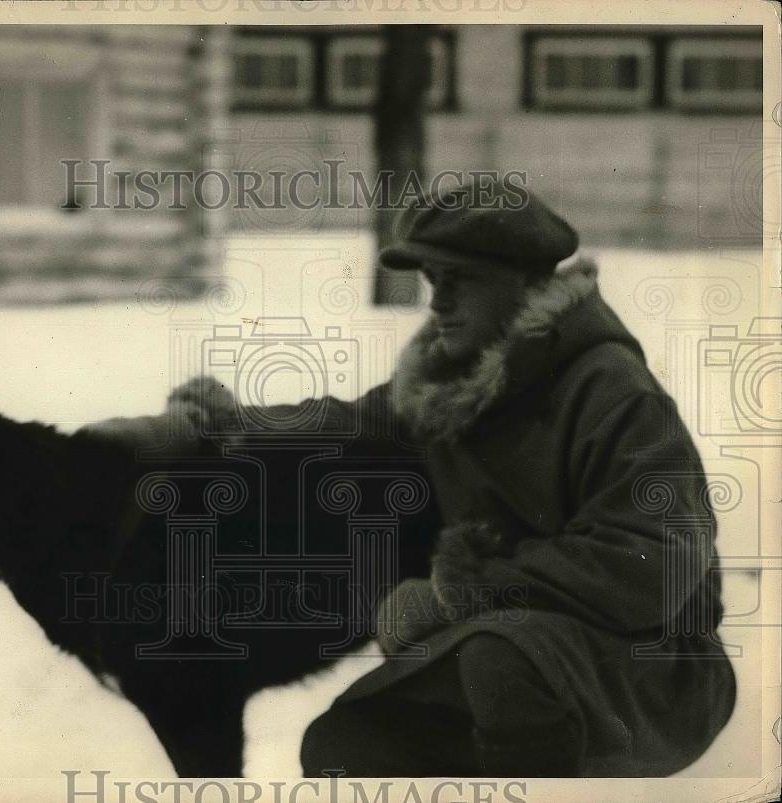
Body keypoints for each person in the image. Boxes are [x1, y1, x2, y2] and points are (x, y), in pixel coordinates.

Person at [298, 182, 737, 778]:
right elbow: (348, 427)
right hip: (521, 647)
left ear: (525, 286)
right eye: (432, 279)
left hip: (650, 671)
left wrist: (470, 589)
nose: (437, 304)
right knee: (350, 742)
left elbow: (653, 561)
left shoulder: (611, 390)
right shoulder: (448, 386)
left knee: (497, 658)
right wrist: (212, 426)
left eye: (460, 280)